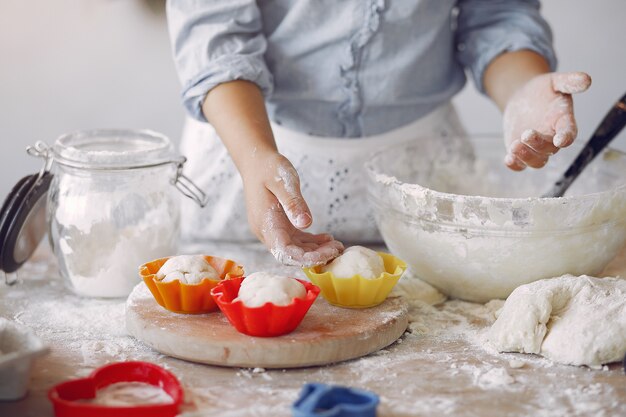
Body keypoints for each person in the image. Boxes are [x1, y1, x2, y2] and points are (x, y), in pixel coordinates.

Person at [166, 0, 591, 267]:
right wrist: (254, 156)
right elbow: (214, 30)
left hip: (421, 177)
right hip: (254, 160)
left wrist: (523, 91)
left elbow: (498, 15)